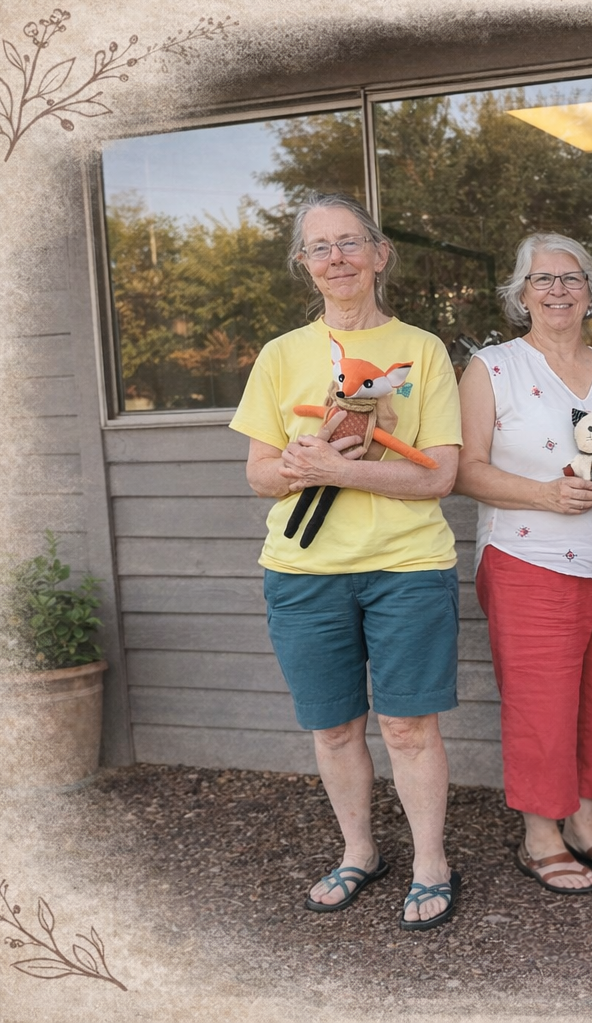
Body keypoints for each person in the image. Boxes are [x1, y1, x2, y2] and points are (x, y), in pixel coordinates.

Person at [230, 191, 462, 930]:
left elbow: (439, 476)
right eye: (320, 247)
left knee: (408, 728)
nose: (337, 258)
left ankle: (430, 862)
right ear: (304, 264)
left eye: (350, 242)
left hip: (408, 568)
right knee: (333, 728)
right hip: (304, 572)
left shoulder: (423, 350)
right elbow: (259, 474)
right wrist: (301, 465)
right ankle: (359, 852)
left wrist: (342, 470)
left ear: (379, 254)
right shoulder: (280, 355)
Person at [454, 234, 592, 894]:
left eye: (572, 278)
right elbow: (464, 470)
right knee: (541, 702)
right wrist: (543, 494)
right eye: (543, 279)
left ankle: (586, 824)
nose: (558, 290)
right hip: (528, 558)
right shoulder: (493, 368)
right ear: (522, 293)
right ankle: (540, 835)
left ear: (591, 292)